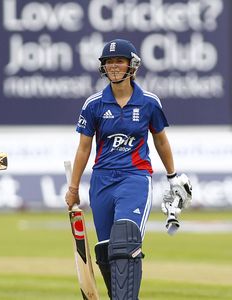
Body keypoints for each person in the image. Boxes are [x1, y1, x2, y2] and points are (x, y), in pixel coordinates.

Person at [65, 39, 192, 299]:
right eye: (108, 62)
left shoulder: (149, 102)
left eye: (118, 61)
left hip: (135, 177)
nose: (113, 66)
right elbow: (83, 149)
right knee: (106, 251)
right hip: (102, 181)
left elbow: (160, 140)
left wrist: (172, 176)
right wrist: (74, 188)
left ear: (132, 66)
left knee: (125, 241)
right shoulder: (94, 104)